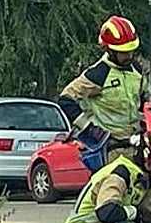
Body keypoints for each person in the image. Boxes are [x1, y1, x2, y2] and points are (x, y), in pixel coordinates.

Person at [56, 15, 145, 166]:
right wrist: (89, 129)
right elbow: (66, 99)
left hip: (136, 146)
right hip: (111, 150)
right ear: (109, 51)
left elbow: (142, 101)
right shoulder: (98, 73)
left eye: (131, 50)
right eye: (123, 52)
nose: (129, 55)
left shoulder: (136, 70)